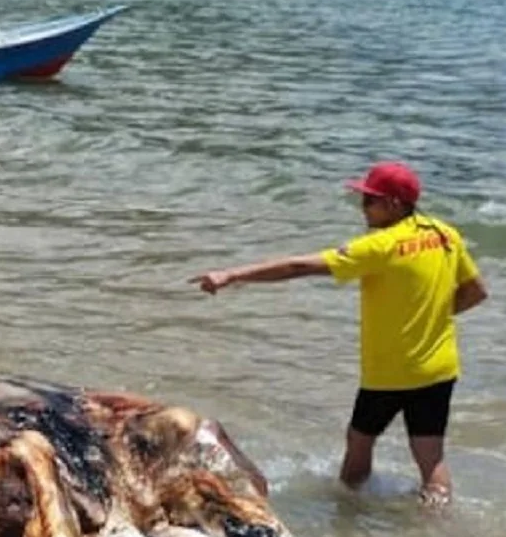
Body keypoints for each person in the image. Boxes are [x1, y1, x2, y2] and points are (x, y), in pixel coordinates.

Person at [190, 162, 488, 504]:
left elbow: (301, 267)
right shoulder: (444, 235)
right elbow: (476, 291)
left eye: (369, 201)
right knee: (430, 457)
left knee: (359, 443)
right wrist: (430, 318)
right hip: (439, 369)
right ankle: (438, 529)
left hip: (390, 372)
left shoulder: (380, 246)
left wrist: (232, 274)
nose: (362, 208)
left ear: (394, 204)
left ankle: (348, 517)